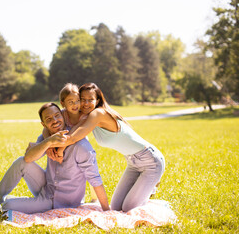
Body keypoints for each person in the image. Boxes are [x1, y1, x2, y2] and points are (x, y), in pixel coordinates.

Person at [0, 102, 109, 218]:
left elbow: (95, 179)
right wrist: (48, 142)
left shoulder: (81, 146)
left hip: (60, 201)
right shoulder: (48, 136)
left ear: (63, 116)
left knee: (8, 205)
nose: (55, 120)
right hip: (47, 187)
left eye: (57, 115)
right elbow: (28, 158)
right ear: (43, 124)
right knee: (21, 162)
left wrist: (106, 210)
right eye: (49, 119)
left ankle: (15, 202)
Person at [56, 83, 165, 212]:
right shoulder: (87, 116)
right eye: (82, 99)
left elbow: (74, 137)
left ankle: (151, 187)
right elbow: (72, 127)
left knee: (128, 208)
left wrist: (61, 149)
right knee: (117, 207)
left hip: (151, 161)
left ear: (97, 100)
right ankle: (147, 187)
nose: (85, 103)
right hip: (133, 163)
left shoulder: (98, 114)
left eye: (90, 99)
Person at [43, 83, 98, 202]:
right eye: (70, 102)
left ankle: (95, 197)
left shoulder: (83, 116)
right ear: (62, 103)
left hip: (78, 141)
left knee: (89, 167)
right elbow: (45, 129)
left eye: (77, 101)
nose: (75, 105)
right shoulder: (62, 113)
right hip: (63, 140)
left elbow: (73, 134)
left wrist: (61, 149)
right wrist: (48, 145)